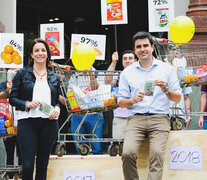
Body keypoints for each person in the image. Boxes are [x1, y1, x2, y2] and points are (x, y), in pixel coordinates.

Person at [118, 31, 182, 180]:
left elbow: (178, 98)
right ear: (135, 50)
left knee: (157, 154)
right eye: (138, 47)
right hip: (136, 119)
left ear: (152, 47)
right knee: (127, 153)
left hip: (160, 118)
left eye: (145, 45)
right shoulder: (127, 73)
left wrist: (166, 89)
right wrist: (133, 100)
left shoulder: (167, 69)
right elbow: (121, 102)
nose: (142, 49)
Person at [9, 38, 61, 180]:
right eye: (36, 50)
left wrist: (57, 108)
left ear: (47, 54)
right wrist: (27, 104)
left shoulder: (54, 77)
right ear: (31, 54)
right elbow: (12, 98)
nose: (40, 53)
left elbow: (57, 101)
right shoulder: (22, 74)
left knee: (42, 166)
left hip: (49, 124)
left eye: (43, 50)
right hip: (27, 123)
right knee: (27, 166)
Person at [68, 66, 104, 155]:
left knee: (97, 146)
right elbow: (70, 93)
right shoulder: (74, 76)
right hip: (78, 113)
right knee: (80, 148)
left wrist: (91, 73)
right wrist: (75, 108)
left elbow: (97, 89)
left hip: (95, 113)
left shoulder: (98, 74)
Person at [106, 51, 138, 141]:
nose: (127, 61)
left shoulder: (141, 75)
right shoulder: (118, 75)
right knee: (118, 145)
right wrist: (113, 63)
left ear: (136, 60)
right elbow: (107, 81)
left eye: (130, 58)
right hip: (120, 116)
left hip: (137, 116)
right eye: (125, 59)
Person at [0, 69, 22, 179]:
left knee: (21, 150)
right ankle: (10, 175)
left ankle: (22, 174)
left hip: (20, 123)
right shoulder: (2, 85)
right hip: (7, 124)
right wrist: (8, 90)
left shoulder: (22, 84)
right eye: (12, 69)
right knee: (9, 150)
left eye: (17, 70)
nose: (15, 72)